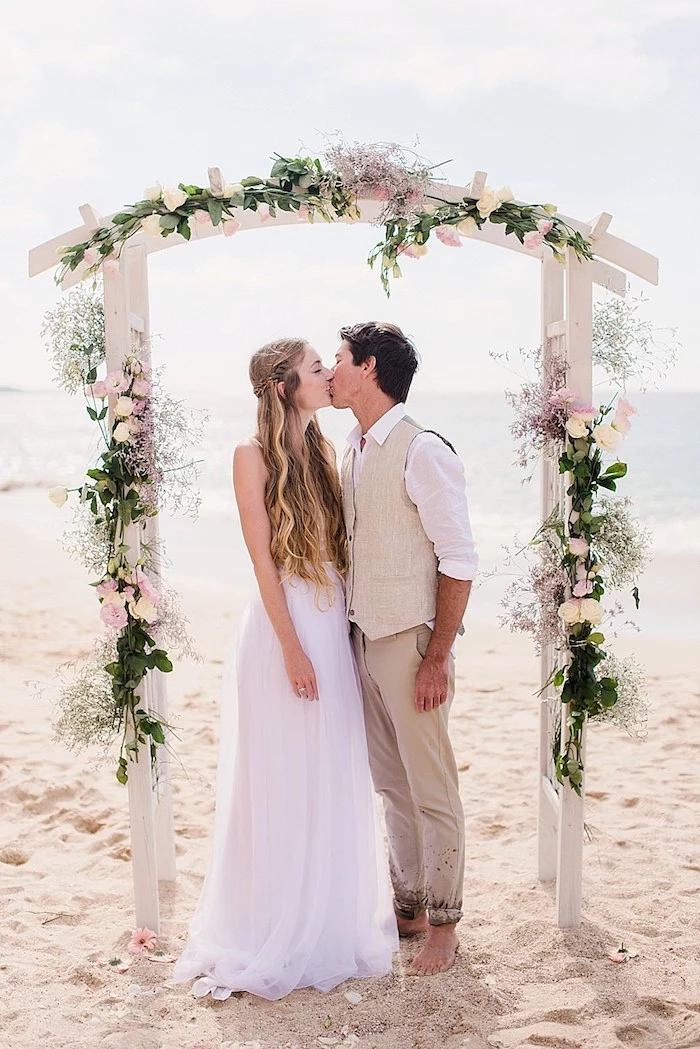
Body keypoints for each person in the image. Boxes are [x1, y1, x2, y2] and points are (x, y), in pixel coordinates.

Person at [172, 337, 397, 1001]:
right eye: (317, 369)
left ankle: (325, 915)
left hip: (329, 622)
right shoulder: (250, 455)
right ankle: (270, 920)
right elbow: (262, 563)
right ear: (282, 385)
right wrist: (294, 647)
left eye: (329, 367)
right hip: (284, 630)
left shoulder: (324, 447)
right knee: (279, 774)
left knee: (329, 769)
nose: (329, 376)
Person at [330, 321, 478, 976]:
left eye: (337, 359)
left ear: (367, 368)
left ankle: (445, 925)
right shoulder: (351, 446)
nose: (330, 371)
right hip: (363, 638)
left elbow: (460, 558)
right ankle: (410, 907)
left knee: (432, 789)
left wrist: (438, 653)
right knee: (392, 786)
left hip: (412, 642)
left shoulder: (424, 451)